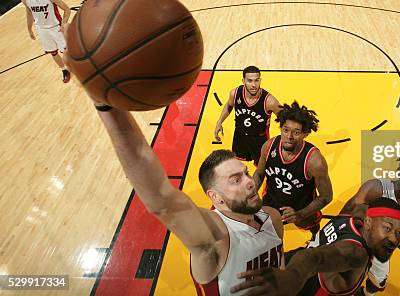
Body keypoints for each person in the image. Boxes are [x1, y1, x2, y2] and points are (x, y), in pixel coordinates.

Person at [93, 101, 285, 295]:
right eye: (236, 180)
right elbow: (161, 200)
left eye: (246, 173)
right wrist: (105, 105)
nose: (250, 182)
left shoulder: (272, 217)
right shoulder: (215, 237)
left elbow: (281, 274)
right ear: (216, 198)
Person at [230, 197, 400, 296]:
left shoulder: (354, 210)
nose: (393, 239)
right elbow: (312, 259)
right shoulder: (356, 252)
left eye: (399, 233)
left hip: (297, 256)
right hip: (309, 286)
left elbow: (371, 189)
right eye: (387, 229)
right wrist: (293, 277)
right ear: (368, 222)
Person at [253, 101, 333, 235]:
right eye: (285, 130)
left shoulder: (314, 161)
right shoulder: (269, 146)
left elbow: (326, 196)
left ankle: (315, 240)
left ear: (305, 134)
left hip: (302, 206)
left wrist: (300, 214)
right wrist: (250, 193)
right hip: (271, 201)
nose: (289, 137)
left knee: (312, 227)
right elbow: (259, 174)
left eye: (296, 132)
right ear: (281, 128)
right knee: (264, 234)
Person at [340, 175, 400, 295]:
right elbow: (346, 213)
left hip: (381, 247)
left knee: (378, 282)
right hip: (359, 238)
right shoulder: (376, 188)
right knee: (342, 280)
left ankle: (365, 294)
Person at [214, 66, 281, 164]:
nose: (254, 85)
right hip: (239, 136)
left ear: (260, 80)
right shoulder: (235, 93)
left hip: (260, 140)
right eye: (250, 81)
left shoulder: (270, 101)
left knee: (262, 167)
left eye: (256, 80)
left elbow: (285, 119)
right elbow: (229, 105)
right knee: (237, 163)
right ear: (243, 81)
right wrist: (219, 122)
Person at [20, 0, 71, 83]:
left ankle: (77, 68)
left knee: (66, 52)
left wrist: (63, 24)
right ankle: (64, 70)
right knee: (53, 52)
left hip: (55, 27)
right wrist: (29, 29)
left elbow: (67, 9)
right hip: (42, 29)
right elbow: (29, 14)